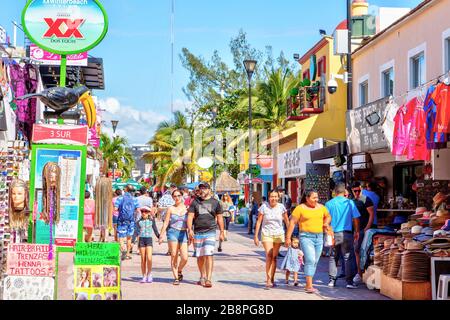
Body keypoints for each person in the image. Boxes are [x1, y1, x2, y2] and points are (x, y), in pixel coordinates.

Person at [286, 190, 331, 294]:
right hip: (306, 237)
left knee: (314, 261)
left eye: (317, 198)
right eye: (314, 198)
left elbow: (328, 216)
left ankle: (309, 281)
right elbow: (292, 223)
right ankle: (309, 285)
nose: (316, 200)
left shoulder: (322, 207)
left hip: (319, 237)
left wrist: (326, 223)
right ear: (307, 198)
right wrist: (288, 237)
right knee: (310, 259)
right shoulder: (300, 208)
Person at [187, 182, 224, 288]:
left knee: (208, 255)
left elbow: (220, 218)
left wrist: (222, 232)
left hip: (210, 232)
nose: (202, 190)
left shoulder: (216, 202)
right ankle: (202, 276)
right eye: (201, 188)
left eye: (204, 188)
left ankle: (208, 279)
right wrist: (190, 230)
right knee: (200, 256)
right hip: (198, 232)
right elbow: (190, 216)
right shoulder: (195, 202)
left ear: (209, 190)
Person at [325, 183, 361, 289]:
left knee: (333, 257)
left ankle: (332, 281)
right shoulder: (350, 203)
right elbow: (356, 218)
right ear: (344, 192)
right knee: (348, 257)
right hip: (347, 233)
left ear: (335, 192)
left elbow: (325, 220)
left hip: (333, 234)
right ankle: (349, 282)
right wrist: (357, 231)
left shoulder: (329, 203)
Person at [254, 190, 289, 289]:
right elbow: (259, 222)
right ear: (268, 197)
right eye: (271, 196)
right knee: (269, 255)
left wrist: (288, 236)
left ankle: (272, 278)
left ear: (278, 197)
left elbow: (287, 221)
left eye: (275, 197)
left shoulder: (281, 207)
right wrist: (256, 236)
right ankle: (268, 279)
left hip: (278, 234)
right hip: (266, 233)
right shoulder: (264, 207)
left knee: (274, 257)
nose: (273, 198)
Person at [159, 189, 189, 285]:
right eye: (175, 196)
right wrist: (161, 235)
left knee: (185, 257)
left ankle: (179, 270)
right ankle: (176, 278)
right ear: (172, 198)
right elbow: (166, 223)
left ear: (182, 196)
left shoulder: (187, 208)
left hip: (183, 233)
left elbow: (190, 223)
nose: (177, 198)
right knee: (174, 255)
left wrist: (191, 234)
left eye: (178, 196)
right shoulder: (170, 208)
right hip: (172, 233)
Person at [350, 181, 375, 284]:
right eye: (354, 191)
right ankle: (357, 272)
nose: (356, 192)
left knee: (358, 250)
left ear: (361, 189)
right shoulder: (352, 200)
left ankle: (359, 273)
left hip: (362, 229)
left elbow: (371, 214)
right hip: (354, 229)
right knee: (356, 250)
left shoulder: (366, 199)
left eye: (358, 190)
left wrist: (366, 228)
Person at [114, 185, 141, 260]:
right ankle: (128, 254)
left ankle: (123, 250)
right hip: (131, 220)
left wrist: (120, 210)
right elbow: (138, 210)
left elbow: (115, 209)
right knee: (129, 238)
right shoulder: (134, 199)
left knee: (121, 237)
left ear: (125, 189)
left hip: (122, 220)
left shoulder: (120, 198)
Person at [136, 206, 160, 283]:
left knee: (149, 258)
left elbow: (155, 230)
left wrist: (159, 237)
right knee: (143, 259)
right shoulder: (139, 222)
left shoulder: (152, 221)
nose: (144, 213)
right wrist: (132, 242)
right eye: (142, 211)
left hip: (149, 239)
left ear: (149, 212)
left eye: (146, 211)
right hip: (142, 240)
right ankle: (144, 276)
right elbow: (136, 232)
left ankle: (149, 274)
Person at [158, 184, 177, 255]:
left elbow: (159, 208)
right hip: (172, 218)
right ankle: (171, 250)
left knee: (170, 234)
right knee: (171, 233)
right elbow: (159, 208)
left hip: (168, 217)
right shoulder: (166, 197)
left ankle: (170, 250)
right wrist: (168, 208)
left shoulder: (164, 197)